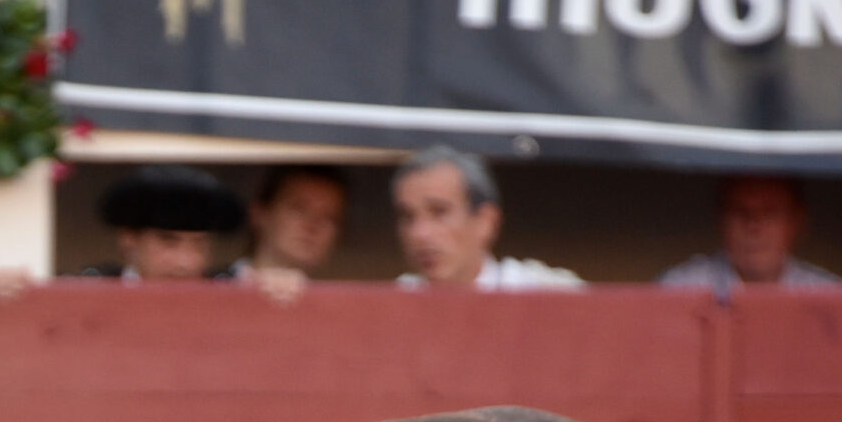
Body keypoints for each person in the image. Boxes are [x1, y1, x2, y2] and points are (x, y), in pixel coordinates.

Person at [391, 146, 581, 291]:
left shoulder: (545, 292)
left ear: (485, 222)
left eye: (440, 212)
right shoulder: (392, 306)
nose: (419, 233)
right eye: (408, 217)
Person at [659, 176, 842, 295]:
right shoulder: (679, 289)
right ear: (722, 220)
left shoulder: (829, 295)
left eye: (769, 212)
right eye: (740, 212)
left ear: (795, 223)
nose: (753, 226)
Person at [81, 164, 246, 280]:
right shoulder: (92, 292)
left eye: (199, 244)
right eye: (169, 242)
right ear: (129, 238)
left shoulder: (223, 296)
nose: (185, 263)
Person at [232, 164, 347, 291]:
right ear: (260, 213)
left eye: (328, 217)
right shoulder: (212, 284)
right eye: (299, 209)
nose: (313, 226)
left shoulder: (335, 307)